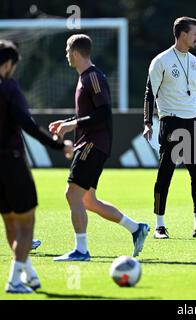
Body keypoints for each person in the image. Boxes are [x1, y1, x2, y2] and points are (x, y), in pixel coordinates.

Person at [50, 34, 149, 261]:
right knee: (87, 200)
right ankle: (136, 229)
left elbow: (103, 114)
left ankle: (82, 251)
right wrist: (67, 122)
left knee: (72, 194)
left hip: (92, 145)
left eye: (68, 51)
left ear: (75, 52)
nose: (66, 55)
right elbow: (89, 113)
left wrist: (71, 125)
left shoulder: (92, 77)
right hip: (93, 144)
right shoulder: (86, 77)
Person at [0, 40, 73, 293]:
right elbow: (27, 124)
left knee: (10, 222)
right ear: (8, 63)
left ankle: (27, 272)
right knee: (26, 224)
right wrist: (58, 145)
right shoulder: (9, 88)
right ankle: (13, 281)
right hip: (11, 162)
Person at [143, 17, 196, 239]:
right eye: (194, 33)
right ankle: (160, 226)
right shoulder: (161, 61)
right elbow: (150, 93)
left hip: (194, 122)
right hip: (171, 122)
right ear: (182, 34)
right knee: (165, 174)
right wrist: (148, 122)